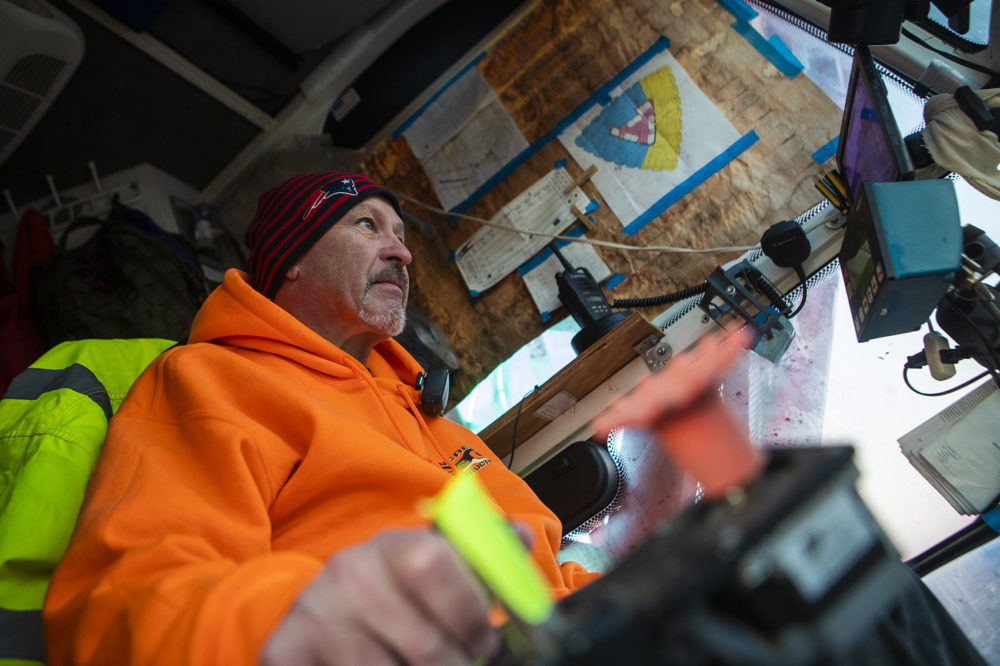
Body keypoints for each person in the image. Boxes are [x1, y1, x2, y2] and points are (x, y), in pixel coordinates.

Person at [43, 172, 599, 666]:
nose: (401, 254)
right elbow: (129, 604)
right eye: (367, 225)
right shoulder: (213, 381)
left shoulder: (439, 426)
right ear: (291, 259)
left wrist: (623, 593)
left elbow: (545, 574)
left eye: (402, 237)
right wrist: (297, 631)